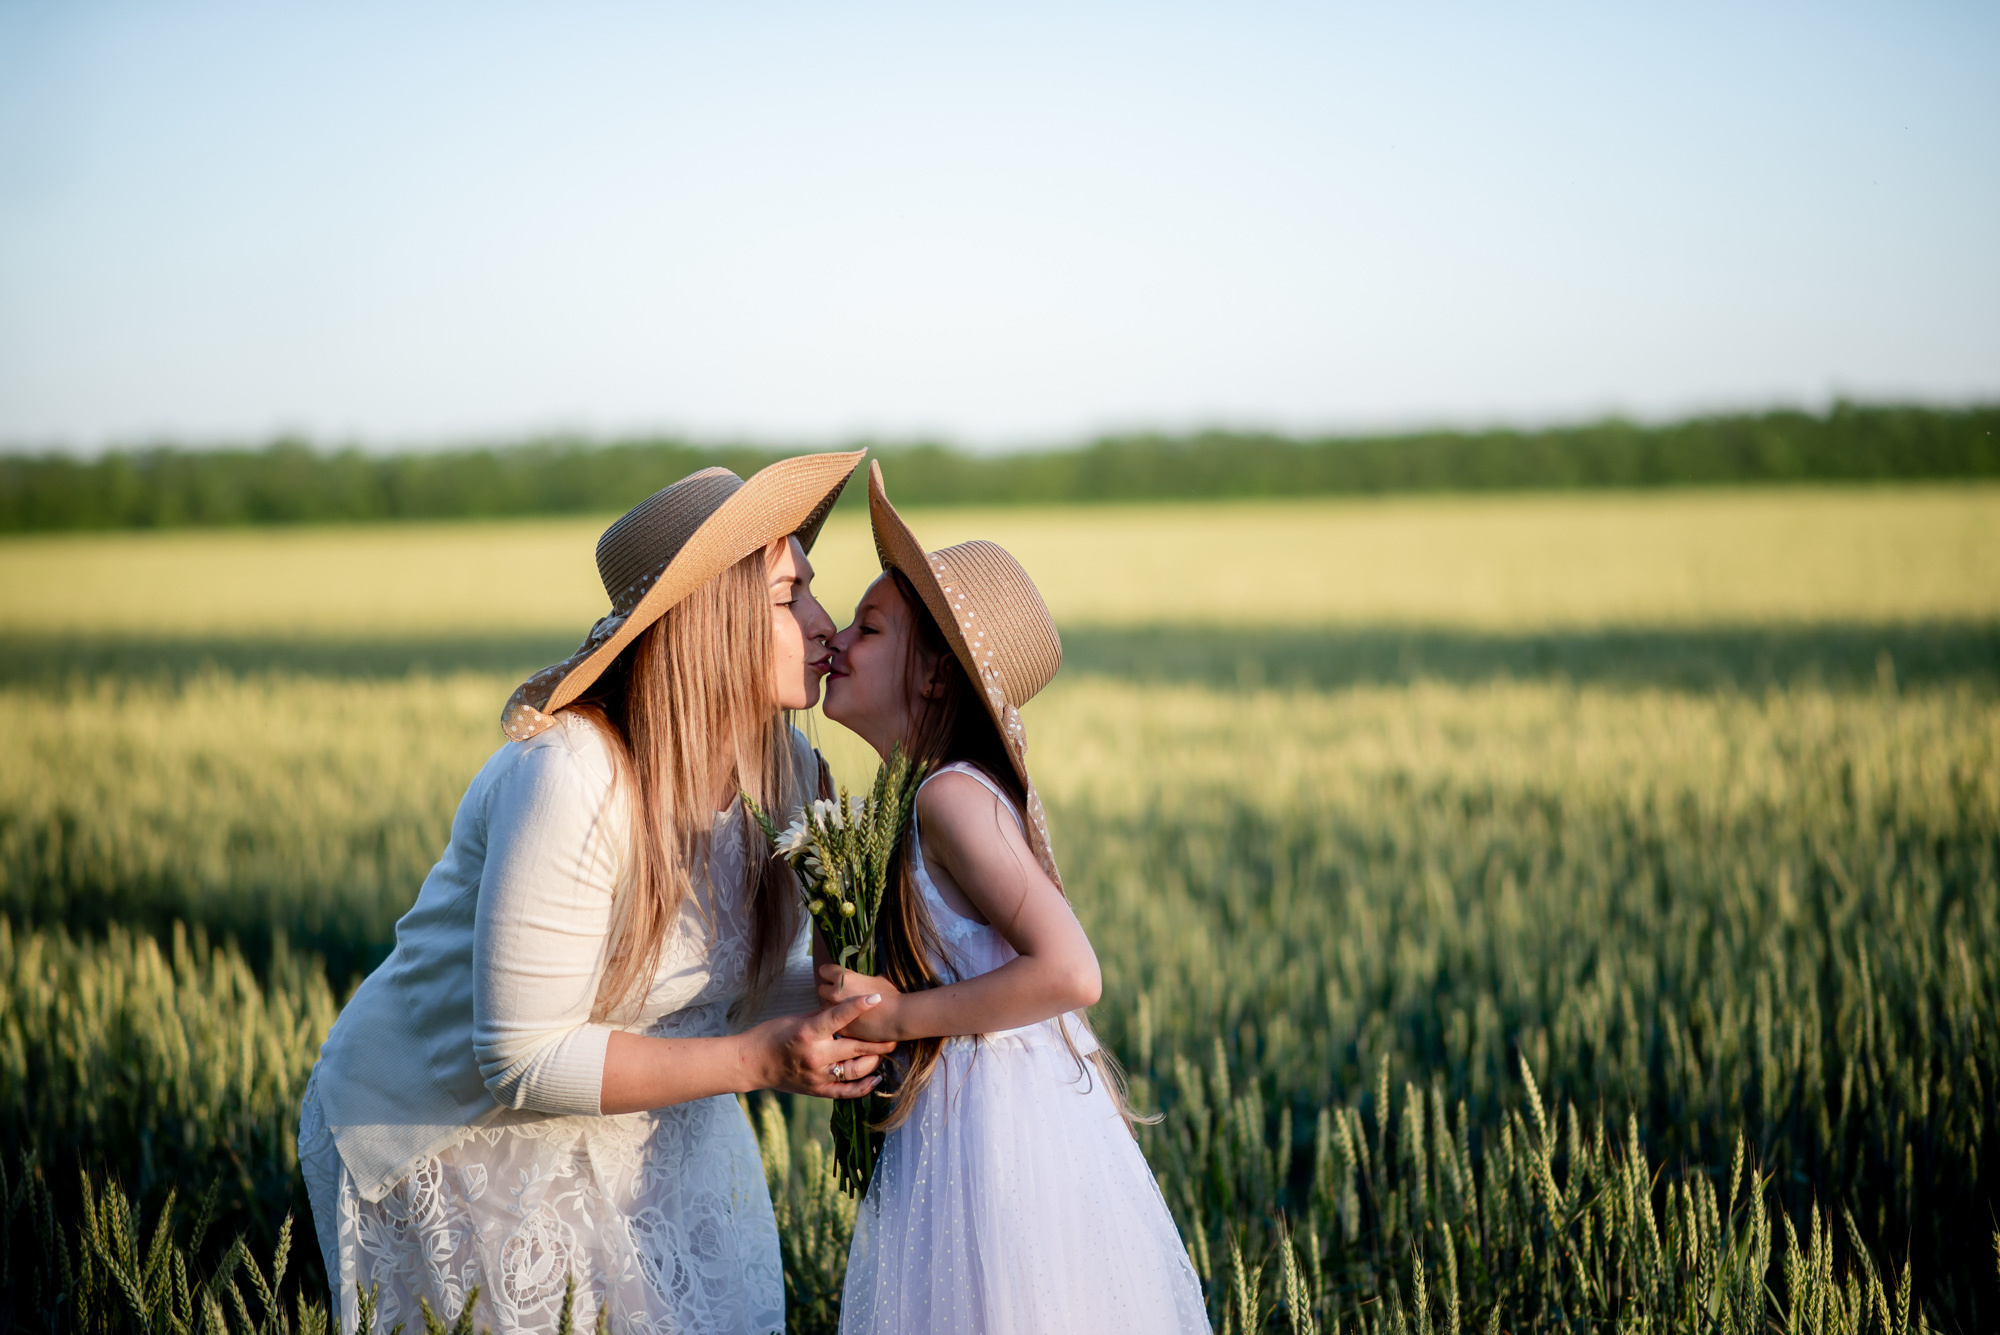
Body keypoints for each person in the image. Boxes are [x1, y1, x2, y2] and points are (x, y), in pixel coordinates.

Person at [296, 452, 896, 1335]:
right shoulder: (574, 773)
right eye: (787, 596)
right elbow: (523, 1056)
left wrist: (901, 1002)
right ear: (711, 620)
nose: (824, 621)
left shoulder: (789, 771)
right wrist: (764, 1063)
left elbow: (742, 984)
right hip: (457, 1134)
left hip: (645, 1114)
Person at [816, 462, 1210, 1334]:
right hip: (974, 1116)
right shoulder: (911, 799)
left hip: (998, 1139)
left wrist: (897, 1018)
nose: (835, 639)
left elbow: (1072, 971)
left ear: (933, 678)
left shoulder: (946, 798)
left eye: (869, 627)